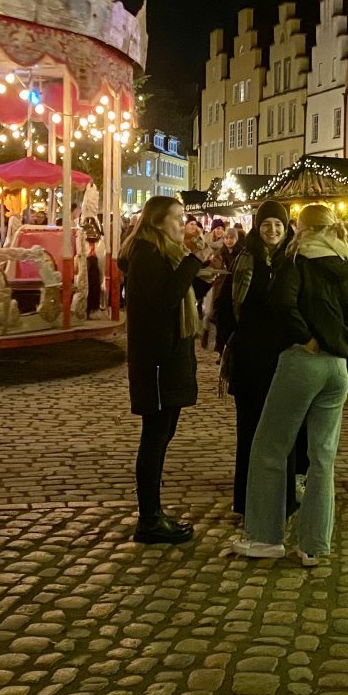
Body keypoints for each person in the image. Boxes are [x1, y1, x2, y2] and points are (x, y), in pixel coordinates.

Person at [233, 204, 348, 565]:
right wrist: (347, 361)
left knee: (269, 447)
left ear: (302, 228)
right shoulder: (346, 262)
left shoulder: (298, 260)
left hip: (303, 361)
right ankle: (313, 544)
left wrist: (306, 336)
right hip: (337, 367)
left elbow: (281, 301)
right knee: (322, 458)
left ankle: (264, 536)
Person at [119, 196, 209, 545]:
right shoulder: (146, 254)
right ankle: (150, 519)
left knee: (162, 436)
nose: (182, 223)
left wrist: (199, 274)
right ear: (157, 221)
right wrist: (194, 260)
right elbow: (165, 297)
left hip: (167, 359)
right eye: (177, 218)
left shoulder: (162, 253)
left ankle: (153, 515)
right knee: (154, 440)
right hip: (157, 361)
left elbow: (178, 292)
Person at [226, 201, 293, 516]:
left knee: (284, 431)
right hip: (251, 357)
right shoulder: (245, 259)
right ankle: (246, 500)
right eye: (267, 225)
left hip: (284, 356)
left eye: (278, 225)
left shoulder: (293, 260)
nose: (273, 231)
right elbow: (229, 308)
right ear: (257, 226)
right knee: (250, 431)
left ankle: (283, 499)